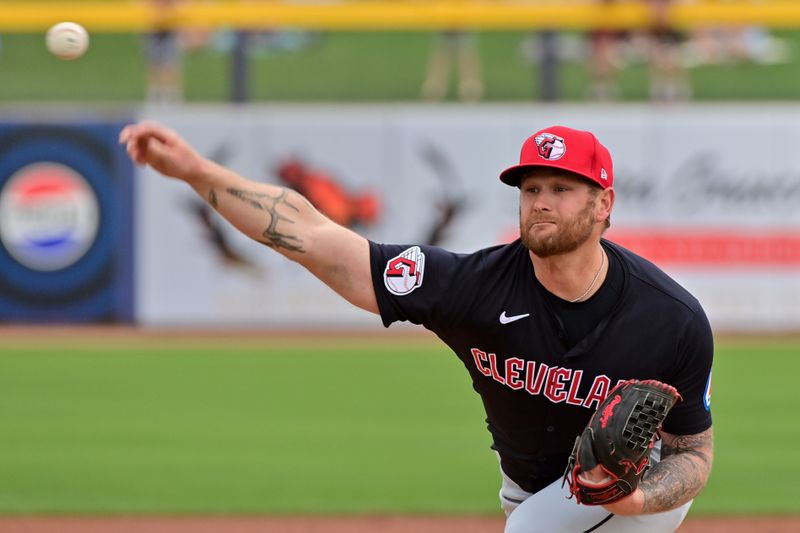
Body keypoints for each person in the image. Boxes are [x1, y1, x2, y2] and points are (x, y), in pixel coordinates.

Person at [119, 122, 714, 532]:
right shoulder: (473, 286)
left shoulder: (670, 318)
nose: (541, 202)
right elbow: (316, 238)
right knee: (532, 517)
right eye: (531, 188)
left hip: (630, 489)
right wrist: (195, 170)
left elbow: (693, 454)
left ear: (603, 203)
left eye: (562, 188)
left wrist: (635, 497)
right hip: (528, 488)